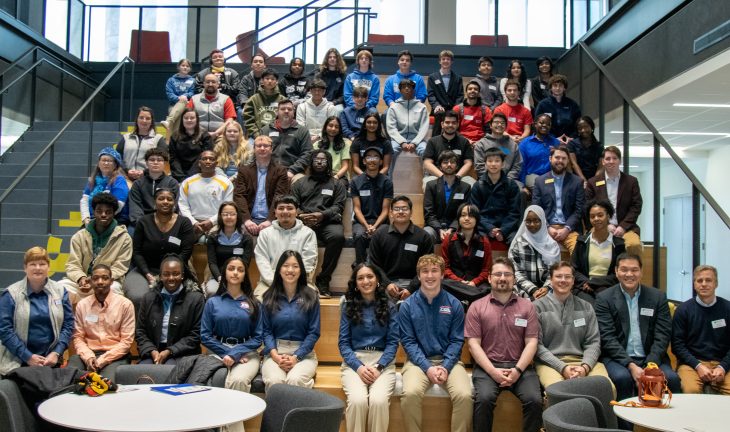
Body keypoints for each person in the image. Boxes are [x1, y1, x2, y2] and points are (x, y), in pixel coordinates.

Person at [466, 257, 542, 432]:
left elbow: (531, 342)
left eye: (507, 274)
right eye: (498, 274)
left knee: (535, 400)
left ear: (514, 279)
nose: (502, 278)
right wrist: (493, 372)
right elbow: (473, 345)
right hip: (487, 367)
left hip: (521, 368)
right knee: (484, 399)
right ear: (489, 278)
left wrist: (517, 371)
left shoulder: (527, 307)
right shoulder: (477, 307)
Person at [398, 254, 472, 432]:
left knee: (465, 395)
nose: (429, 276)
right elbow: (408, 342)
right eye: (425, 271)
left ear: (442, 275)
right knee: (410, 394)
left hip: (450, 362)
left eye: (434, 271)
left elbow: (456, 341)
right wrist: (427, 367)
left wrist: (445, 366)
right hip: (417, 362)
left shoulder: (454, 304)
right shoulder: (407, 306)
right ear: (419, 276)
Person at [594, 253, 680, 403]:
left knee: (671, 379)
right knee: (622, 378)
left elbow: (663, 335)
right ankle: (625, 426)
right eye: (624, 270)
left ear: (641, 271)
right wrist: (631, 365)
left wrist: (650, 365)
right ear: (616, 271)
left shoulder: (657, 297)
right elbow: (607, 338)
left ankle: (663, 425)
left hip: (652, 357)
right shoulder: (604, 298)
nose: (629, 274)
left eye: (634, 270)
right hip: (618, 359)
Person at [201, 255, 263, 432]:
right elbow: (205, 336)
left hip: (247, 353)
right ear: (224, 273)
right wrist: (226, 354)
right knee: (217, 379)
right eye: (231, 268)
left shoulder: (254, 304)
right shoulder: (213, 302)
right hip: (216, 351)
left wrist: (236, 353)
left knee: (239, 379)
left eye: (240, 270)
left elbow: (258, 338)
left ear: (245, 275)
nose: (235, 273)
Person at [339, 263, 399, 432]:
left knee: (378, 401)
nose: (366, 281)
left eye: (370, 276)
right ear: (356, 283)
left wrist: (379, 367)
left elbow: (393, 342)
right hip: (354, 363)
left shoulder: (390, 306)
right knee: (357, 401)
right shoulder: (347, 306)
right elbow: (343, 344)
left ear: (378, 280)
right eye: (360, 278)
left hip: (383, 364)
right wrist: (358, 368)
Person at [533, 261, 609, 389]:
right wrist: (563, 368)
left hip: (583, 361)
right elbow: (538, 347)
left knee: (607, 388)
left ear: (573, 281)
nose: (563, 280)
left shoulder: (586, 307)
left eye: (567, 277)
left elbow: (593, 342)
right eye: (558, 276)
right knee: (559, 391)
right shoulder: (537, 307)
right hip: (550, 363)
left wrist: (585, 367)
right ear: (550, 280)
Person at [0, 247, 74, 376]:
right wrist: (27, 356)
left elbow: (68, 324)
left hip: (51, 361)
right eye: (33, 264)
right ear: (25, 268)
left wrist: (57, 352)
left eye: (42, 264)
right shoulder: (11, 294)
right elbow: (5, 330)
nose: (38, 268)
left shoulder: (60, 291)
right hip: (18, 361)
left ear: (48, 267)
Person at [125, 188, 195, 310]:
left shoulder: (184, 223)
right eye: (161, 198)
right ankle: (141, 329)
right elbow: (137, 252)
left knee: (191, 297)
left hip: (175, 272)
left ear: (174, 203)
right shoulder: (143, 222)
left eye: (169, 199)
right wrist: (147, 274)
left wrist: (168, 275)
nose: (165, 201)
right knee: (137, 296)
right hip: (145, 270)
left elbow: (186, 252)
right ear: (154, 202)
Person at [261, 251, 321, 391]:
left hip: (304, 354)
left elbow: (313, 332)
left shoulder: (311, 296)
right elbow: (266, 331)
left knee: (295, 380)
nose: (290, 270)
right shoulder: (269, 297)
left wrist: (296, 357)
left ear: (301, 270)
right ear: (279, 269)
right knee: (276, 382)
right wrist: (275, 356)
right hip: (275, 352)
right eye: (286, 265)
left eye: (295, 266)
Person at [291, 150, 347, 297]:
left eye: (323, 160)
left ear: (328, 163)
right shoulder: (300, 183)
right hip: (304, 221)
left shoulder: (337, 184)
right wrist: (301, 215)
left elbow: (338, 206)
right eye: (316, 159)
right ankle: (299, 280)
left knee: (337, 237)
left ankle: (323, 280)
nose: (320, 162)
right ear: (311, 162)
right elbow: (292, 203)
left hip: (328, 221)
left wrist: (322, 215)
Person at [68, 264, 135, 380]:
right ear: (90, 281)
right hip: (88, 354)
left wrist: (102, 360)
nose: (100, 282)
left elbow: (126, 342)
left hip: (115, 355)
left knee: (105, 385)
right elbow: (78, 337)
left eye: (105, 278)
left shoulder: (125, 305)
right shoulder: (82, 305)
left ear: (112, 281)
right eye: (95, 278)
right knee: (69, 379)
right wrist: (88, 357)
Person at [63, 193, 132, 304]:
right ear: (94, 212)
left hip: (109, 282)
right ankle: (70, 321)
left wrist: (98, 279)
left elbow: (120, 267)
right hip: (82, 281)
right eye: (99, 211)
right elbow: (72, 264)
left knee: (114, 289)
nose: (103, 215)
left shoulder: (124, 238)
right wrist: (81, 278)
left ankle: (108, 322)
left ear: (114, 213)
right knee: (60, 288)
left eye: (108, 212)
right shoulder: (79, 236)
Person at [135, 254, 204, 364]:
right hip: (152, 352)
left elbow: (196, 335)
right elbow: (140, 332)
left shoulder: (196, 299)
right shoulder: (148, 298)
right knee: (142, 374)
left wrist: (169, 351)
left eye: (175, 274)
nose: (171, 278)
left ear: (182, 275)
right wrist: (152, 350)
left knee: (168, 373)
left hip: (182, 353)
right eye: (166, 274)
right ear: (160, 276)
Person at [672, 264, 730, 395]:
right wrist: (698, 366)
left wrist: (723, 367)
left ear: (716, 283)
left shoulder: (727, 309)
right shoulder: (683, 310)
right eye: (699, 280)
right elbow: (677, 346)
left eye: (708, 280)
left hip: (722, 363)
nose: (703, 284)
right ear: (694, 284)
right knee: (690, 391)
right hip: (691, 364)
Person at [368, 196, 434, 301]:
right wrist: (387, 284)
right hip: (387, 284)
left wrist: (411, 288)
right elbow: (374, 264)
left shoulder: (423, 236)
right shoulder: (379, 235)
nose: (401, 212)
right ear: (391, 213)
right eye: (397, 209)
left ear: (411, 212)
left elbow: (427, 266)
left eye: (404, 208)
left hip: (415, 285)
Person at [253, 195, 318, 299]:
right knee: (260, 301)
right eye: (281, 208)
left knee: (309, 301)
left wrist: (292, 285)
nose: (285, 211)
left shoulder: (308, 234)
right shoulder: (265, 234)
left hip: (300, 283)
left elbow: (308, 263)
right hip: (269, 283)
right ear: (275, 212)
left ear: (296, 212)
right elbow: (262, 261)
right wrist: (275, 283)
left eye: (290, 208)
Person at [585, 145, 643, 257]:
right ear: (603, 162)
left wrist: (623, 226)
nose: (611, 161)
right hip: (599, 226)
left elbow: (636, 206)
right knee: (590, 246)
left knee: (634, 245)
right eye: (607, 158)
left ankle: (632, 273)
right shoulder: (592, 182)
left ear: (619, 161)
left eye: (614, 158)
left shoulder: (631, 181)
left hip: (626, 227)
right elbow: (587, 207)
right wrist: (606, 225)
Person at [233, 135, 291, 236]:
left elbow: (280, 197)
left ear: (271, 149)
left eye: (266, 146)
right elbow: (239, 196)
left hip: (273, 219)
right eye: (259, 146)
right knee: (243, 236)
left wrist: (270, 220)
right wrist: (246, 220)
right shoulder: (244, 170)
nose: (262, 148)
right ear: (254, 149)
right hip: (249, 218)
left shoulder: (280, 171)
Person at [532, 145, 585, 254]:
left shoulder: (577, 182)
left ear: (568, 161)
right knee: (534, 250)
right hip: (545, 228)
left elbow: (578, 210)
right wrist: (547, 228)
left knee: (578, 251)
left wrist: (566, 229)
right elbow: (537, 209)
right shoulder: (539, 181)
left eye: (564, 158)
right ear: (550, 159)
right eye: (557, 157)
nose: (560, 161)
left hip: (570, 229)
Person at [571, 200, 626, 301]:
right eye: (592, 216)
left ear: (608, 216)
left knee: (604, 302)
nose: (596, 219)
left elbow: (619, 272)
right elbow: (574, 269)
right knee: (588, 306)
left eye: (600, 215)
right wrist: (587, 282)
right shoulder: (582, 242)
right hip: (584, 287)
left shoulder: (619, 244)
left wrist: (595, 282)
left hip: (608, 287)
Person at [469, 147, 522, 248]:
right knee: (475, 242)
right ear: (485, 164)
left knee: (517, 242)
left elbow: (514, 213)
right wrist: (490, 228)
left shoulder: (512, 185)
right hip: (483, 226)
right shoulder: (477, 185)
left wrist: (503, 230)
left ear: (503, 164)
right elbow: (475, 212)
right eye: (490, 161)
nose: (493, 164)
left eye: (497, 161)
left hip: (507, 225)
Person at [440, 203, 492, 305]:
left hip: (477, 285)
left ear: (477, 219)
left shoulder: (484, 241)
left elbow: (486, 270)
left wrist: (474, 282)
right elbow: (445, 268)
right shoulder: (449, 239)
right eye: (463, 215)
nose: (467, 218)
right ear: (458, 219)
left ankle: (463, 300)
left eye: (471, 215)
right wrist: (460, 282)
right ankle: (469, 299)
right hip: (454, 283)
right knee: (441, 284)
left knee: (488, 289)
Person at [350, 147, 393, 266]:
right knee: (359, 235)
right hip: (361, 221)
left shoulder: (386, 182)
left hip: (381, 221)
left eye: (376, 157)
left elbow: (385, 210)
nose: (372, 160)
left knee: (382, 235)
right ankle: (360, 266)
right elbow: (357, 208)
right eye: (369, 157)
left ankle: (378, 269)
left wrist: (374, 226)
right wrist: (366, 226)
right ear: (364, 161)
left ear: (380, 162)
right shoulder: (355, 181)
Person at [178, 150, 234, 241]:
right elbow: (183, 206)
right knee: (179, 241)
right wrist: (194, 222)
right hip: (192, 222)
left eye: (211, 159)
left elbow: (227, 208)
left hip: (217, 222)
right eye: (204, 159)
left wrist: (211, 221)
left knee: (215, 241)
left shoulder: (226, 183)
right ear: (199, 163)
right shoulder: (188, 182)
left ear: (216, 163)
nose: (208, 161)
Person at [508, 206, 561, 299]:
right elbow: (516, 272)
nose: (532, 224)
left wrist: (546, 287)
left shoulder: (552, 245)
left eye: (536, 221)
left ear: (543, 221)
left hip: (548, 289)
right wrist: (533, 290)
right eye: (528, 221)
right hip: (524, 289)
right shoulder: (518, 244)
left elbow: (555, 272)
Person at [205, 202, 254, 297]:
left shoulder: (247, 238)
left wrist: (234, 278)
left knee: (243, 295)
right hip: (217, 277)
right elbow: (212, 263)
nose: (229, 217)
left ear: (237, 216)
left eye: (232, 214)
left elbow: (245, 264)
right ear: (220, 216)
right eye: (225, 214)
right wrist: (220, 279)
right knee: (212, 291)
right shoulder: (212, 237)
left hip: (238, 276)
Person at [423, 150, 472, 242]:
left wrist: (451, 229)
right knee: (427, 233)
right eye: (445, 162)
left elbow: (464, 212)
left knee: (464, 235)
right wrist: (439, 229)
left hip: (456, 227)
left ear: (457, 166)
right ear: (440, 166)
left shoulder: (465, 187)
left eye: (452, 162)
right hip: (434, 227)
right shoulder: (431, 185)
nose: (449, 165)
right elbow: (428, 213)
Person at [260, 99, 313, 182]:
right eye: (283, 109)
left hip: (294, 172)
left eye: (289, 109)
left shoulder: (302, 131)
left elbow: (307, 154)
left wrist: (292, 170)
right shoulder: (266, 130)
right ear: (277, 112)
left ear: (293, 112)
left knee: (299, 181)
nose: (286, 111)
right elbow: (259, 151)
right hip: (269, 169)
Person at [386, 78, 429, 176]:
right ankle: (387, 181)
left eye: (409, 86)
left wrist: (415, 142)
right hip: (398, 139)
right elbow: (391, 128)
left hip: (418, 139)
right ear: (400, 90)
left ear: (413, 89)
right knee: (390, 151)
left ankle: (427, 180)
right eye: (404, 87)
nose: (406, 89)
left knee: (425, 151)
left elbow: (424, 127)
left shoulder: (422, 107)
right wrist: (402, 142)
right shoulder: (393, 107)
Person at [422, 111, 475, 189]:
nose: (450, 125)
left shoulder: (464, 142)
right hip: (437, 176)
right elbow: (427, 163)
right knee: (428, 184)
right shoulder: (432, 141)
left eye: (454, 123)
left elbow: (468, 163)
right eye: (447, 122)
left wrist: (456, 177)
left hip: (459, 176)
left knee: (472, 184)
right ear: (442, 124)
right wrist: (443, 177)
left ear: (457, 124)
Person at [128, 148, 179, 227]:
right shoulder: (137, 184)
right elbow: (135, 207)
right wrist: (142, 224)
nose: (155, 162)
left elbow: (174, 206)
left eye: (159, 160)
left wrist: (162, 222)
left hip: (166, 222)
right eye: (152, 160)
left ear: (165, 163)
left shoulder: (172, 183)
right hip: (142, 222)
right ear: (146, 163)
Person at [81, 147, 129, 226]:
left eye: (109, 161)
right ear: (99, 163)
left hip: (114, 218)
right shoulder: (93, 179)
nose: (106, 163)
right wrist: (86, 218)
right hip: (93, 218)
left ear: (115, 164)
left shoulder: (119, 180)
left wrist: (100, 219)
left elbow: (119, 204)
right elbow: (84, 200)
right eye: (103, 160)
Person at [116, 106, 165, 181]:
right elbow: (117, 157)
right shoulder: (126, 137)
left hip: (148, 179)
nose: (144, 121)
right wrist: (126, 170)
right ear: (137, 119)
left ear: (152, 121)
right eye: (141, 117)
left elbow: (162, 160)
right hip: (125, 178)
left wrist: (144, 172)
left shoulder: (158, 139)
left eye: (148, 118)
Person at [473, 113, 522, 183]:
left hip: (508, 181)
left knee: (521, 191)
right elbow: (479, 167)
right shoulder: (481, 144)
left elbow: (517, 165)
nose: (499, 125)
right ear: (490, 125)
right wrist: (492, 180)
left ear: (506, 126)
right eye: (496, 122)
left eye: (502, 123)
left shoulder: (513, 145)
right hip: (486, 181)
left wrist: (507, 180)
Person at [168, 107, 214, 182]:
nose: (189, 120)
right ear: (182, 120)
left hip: (199, 174)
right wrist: (180, 177)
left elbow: (204, 158)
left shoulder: (205, 136)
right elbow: (173, 159)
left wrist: (190, 177)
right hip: (179, 175)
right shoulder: (174, 136)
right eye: (186, 118)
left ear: (197, 120)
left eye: (192, 118)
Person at [518, 113, 560, 193]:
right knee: (542, 187)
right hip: (532, 176)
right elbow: (521, 166)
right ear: (535, 124)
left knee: (554, 186)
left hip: (551, 176)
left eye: (548, 124)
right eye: (541, 123)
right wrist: (522, 185)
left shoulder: (556, 142)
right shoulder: (525, 143)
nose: (544, 125)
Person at [534, 74, 581, 143]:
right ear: (550, 88)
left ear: (564, 88)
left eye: (560, 86)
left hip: (569, 141)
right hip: (548, 140)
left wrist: (571, 138)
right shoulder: (543, 105)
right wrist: (554, 139)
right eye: (555, 85)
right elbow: (537, 124)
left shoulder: (572, 104)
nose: (558, 88)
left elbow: (578, 124)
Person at [187, 73, 237, 139]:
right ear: (203, 84)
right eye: (208, 82)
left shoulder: (226, 99)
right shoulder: (194, 99)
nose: (210, 84)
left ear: (218, 84)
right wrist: (201, 134)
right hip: (197, 135)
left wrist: (216, 133)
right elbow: (188, 119)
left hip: (220, 136)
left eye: (213, 82)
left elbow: (229, 120)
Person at [427, 50, 464, 136]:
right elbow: (431, 94)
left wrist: (456, 108)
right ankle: (435, 141)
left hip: (453, 108)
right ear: (440, 61)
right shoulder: (432, 77)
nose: (446, 61)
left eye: (448, 59)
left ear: (451, 62)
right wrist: (436, 105)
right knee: (440, 113)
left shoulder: (458, 78)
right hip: (438, 109)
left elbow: (460, 95)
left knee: (456, 115)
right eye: (443, 59)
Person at [243, 68, 285, 141]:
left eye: (272, 79)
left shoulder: (283, 100)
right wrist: (257, 135)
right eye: (267, 78)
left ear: (277, 81)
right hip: (257, 136)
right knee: (248, 150)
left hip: (278, 136)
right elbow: (248, 120)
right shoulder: (253, 99)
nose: (269, 81)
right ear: (262, 80)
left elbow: (285, 120)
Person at [350, 112, 392, 176]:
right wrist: (366, 178)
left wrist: (376, 178)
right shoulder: (357, 142)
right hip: (362, 176)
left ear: (378, 125)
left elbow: (386, 167)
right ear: (364, 125)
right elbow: (355, 167)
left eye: (375, 122)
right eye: (369, 122)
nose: (372, 125)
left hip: (380, 177)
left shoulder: (386, 143)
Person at [314, 116, 351, 189]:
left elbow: (345, 166)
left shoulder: (345, 144)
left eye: (336, 127)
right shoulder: (317, 145)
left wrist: (336, 177)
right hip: (321, 174)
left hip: (339, 176)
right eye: (330, 126)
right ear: (325, 127)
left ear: (339, 129)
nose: (333, 129)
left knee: (337, 186)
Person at [296, 78, 337, 143]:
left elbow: (331, 126)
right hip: (306, 138)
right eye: (314, 90)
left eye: (320, 90)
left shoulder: (330, 107)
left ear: (324, 91)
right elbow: (300, 126)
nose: (317, 93)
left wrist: (318, 136)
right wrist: (308, 137)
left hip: (325, 138)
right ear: (310, 91)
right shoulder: (302, 106)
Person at [493, 80, 533, 144]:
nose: (512, 92)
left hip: (521, 142)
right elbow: (497, 128)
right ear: (505, 92)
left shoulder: (526, 111)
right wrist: (511, 138)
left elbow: (527, 130)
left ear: (519, 92)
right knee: (506, 152)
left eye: (515, 90)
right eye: (509, 90)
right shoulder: (498, 110)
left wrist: (521, 139)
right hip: (503, 142)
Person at [567, 116, 604, 184]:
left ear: (591, 127)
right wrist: (583, 180)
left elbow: (601, 165)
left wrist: (593, 181)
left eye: (586, 127)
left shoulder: (599, 146)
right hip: (577, 179)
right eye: (580, 128)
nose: (583, 130)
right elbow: (573, 163)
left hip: (595, 180)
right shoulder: (572, 144)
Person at [453, 80, 491, 145]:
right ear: (466, 92)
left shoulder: (485, 110)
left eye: (475, 89)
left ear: (479, 93)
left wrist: (480, 142)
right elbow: (454, 129)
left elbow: (489, 130)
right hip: (461, 141)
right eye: (470, 89)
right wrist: (467, 141)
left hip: (481, 142)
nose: (472, 90)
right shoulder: (457, 109)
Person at [163, 58, 196, 132]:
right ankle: (173, 139)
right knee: (176, 126)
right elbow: (170, 94)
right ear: (178, 67)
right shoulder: (171, 80)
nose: (185, 67)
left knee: (183, 101)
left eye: (187, 66)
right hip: (174, 105)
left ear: (190, 68)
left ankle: (169, 121)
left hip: (188, 106)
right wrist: (179, 99)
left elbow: (192, 93)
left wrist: (185, 96)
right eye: (183, 65)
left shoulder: (193, 81)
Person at [314, 48, 347, 113]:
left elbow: (343, 95)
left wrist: (333, 103)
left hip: (336, 104)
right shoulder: (320, 74)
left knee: (338, 110)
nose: (332, 59)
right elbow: (316, 91)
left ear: (338, 60)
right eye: (330, 57)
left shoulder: (343, 76)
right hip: (321, 101)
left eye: (334, 57)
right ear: (327, 59)